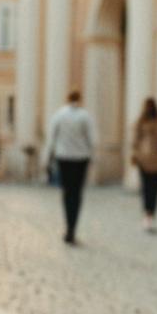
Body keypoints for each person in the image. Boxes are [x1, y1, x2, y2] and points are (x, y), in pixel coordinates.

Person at [42, 89, 97, 245]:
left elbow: (51, 138)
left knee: (67, 192)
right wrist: (93, 157)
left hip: (64, 157)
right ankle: (73, 227)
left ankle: (68, 227)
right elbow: (92, 139)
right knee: (77, 193)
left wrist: (46, 158)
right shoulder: (85, 116)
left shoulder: (59, 115)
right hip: (81, 158)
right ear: (80, 98)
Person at [131, 97, 157, 232]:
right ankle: (150, 214)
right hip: (156, 160)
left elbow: (135, 140)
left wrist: (135, 153)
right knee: (153, 189)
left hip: (146, 159)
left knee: (147, 188)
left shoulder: (142, 121)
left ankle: (147, 214)